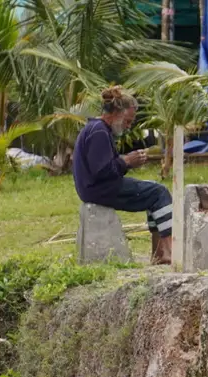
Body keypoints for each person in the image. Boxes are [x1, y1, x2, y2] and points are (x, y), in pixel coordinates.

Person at [74, 85, 174, 265]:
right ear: (115, 114)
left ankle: (159, 252)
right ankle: (168, 250)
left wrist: (125, 162)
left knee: (154, 193)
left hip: (96, 189)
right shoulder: (99, 131)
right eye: (127, 121)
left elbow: (103, 166)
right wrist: (126, 161)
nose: (128, 126)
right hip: (100, 190)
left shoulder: (97, 129)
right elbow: (102, 172)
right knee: (159, 192)